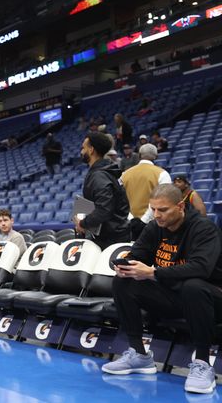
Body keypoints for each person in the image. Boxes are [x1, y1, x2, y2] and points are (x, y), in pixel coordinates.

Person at [102, 185, 222, 394]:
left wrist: (152, 273)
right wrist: (123, 265)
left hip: (211, 299)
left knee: (193, 287)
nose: (157, 215)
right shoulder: (154, 227)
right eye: (154, 209)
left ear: (180, 206)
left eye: (163, 210)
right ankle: (139, 355)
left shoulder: (203, 228)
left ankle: (202, 363)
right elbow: (136, 254)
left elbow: (201, 268)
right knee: (124, 282)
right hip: (174, 296)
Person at [75, 132, 131, 249]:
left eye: (83, 148)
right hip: (113, 233)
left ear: (91, 150)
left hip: (110, 239)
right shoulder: (105, 170)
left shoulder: (99, 176)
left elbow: (104, 209)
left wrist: (82, 223)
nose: (81, 152)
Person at [121, 143, 171, 239]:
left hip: (128, 225)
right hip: (154, 225)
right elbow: (163, 200)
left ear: (139, 156)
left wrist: (132, 219)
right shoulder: (163, 174)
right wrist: (144, 220)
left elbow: (119, 200)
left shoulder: (124, 174)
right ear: (156, 156)